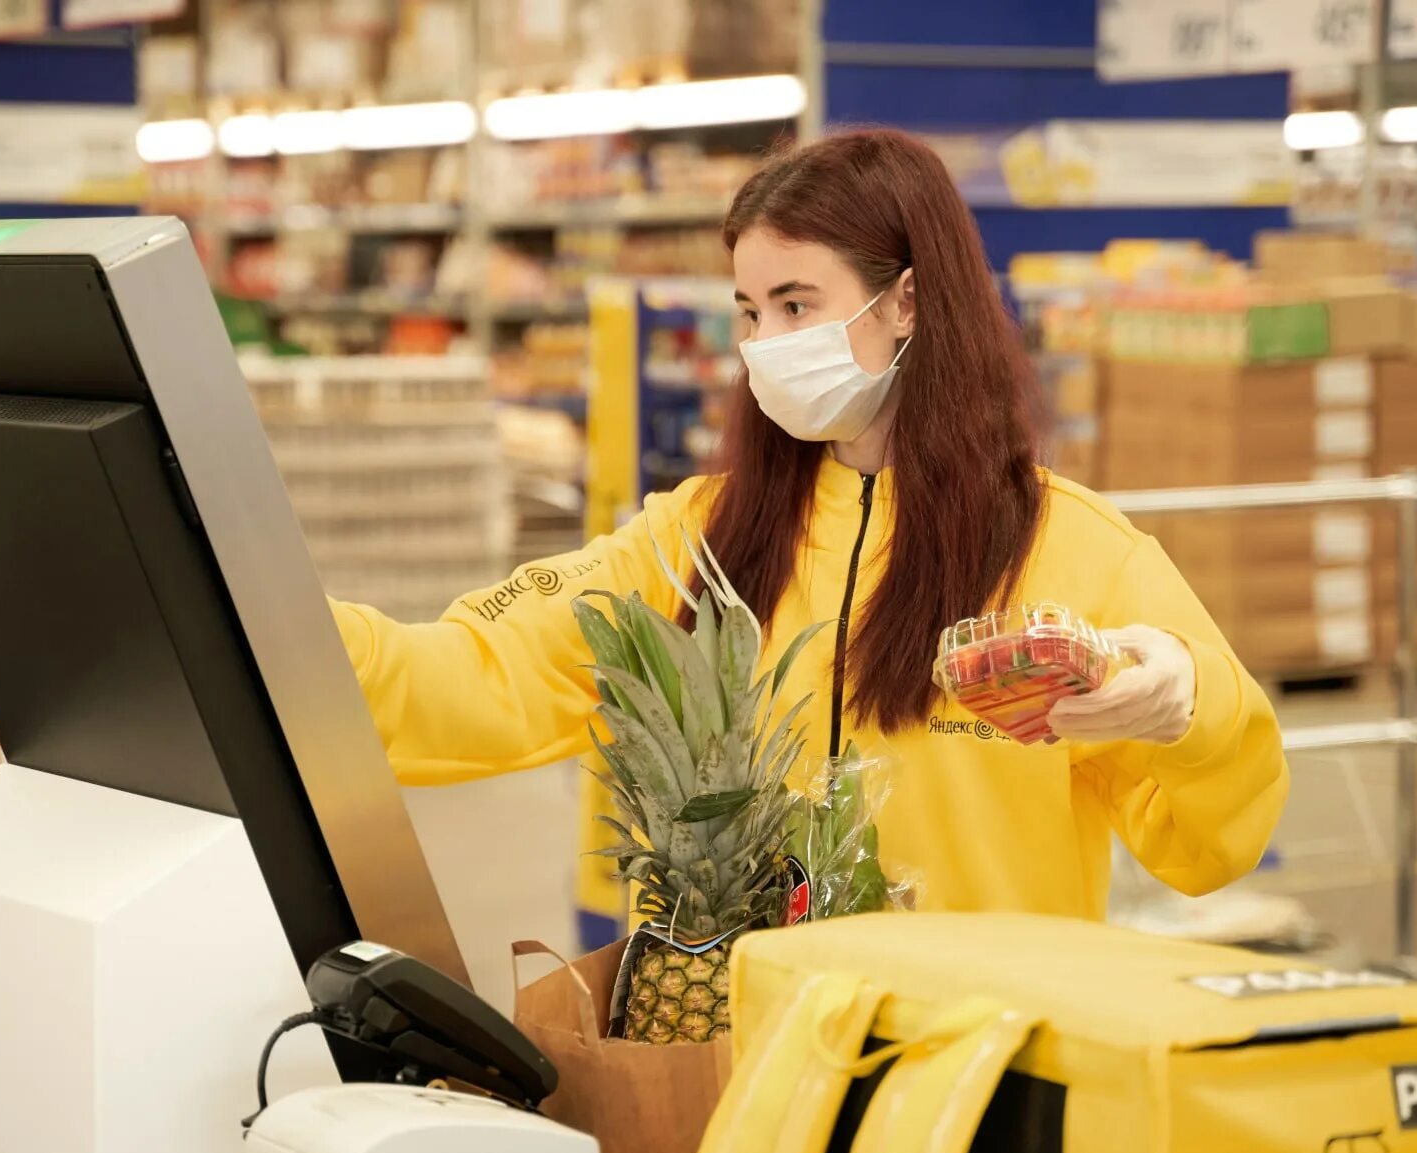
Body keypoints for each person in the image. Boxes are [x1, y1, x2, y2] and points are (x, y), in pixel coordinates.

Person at [332, 128, 1288, 920]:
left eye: (798, 304)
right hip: (748, 1066)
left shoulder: (1074, 550)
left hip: (981, 1069)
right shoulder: (695, 540)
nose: (764, 347)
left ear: (907, 300)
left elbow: (1211, 846)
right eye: (749, 311)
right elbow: (475, 673)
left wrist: (1192, 708)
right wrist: (273, 617)